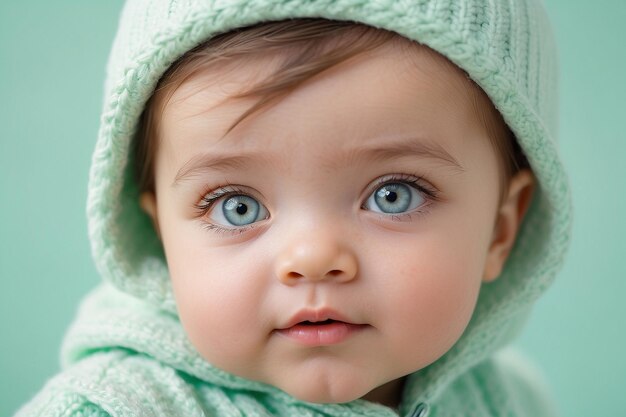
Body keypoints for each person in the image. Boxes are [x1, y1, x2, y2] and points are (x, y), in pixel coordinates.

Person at [15, 1, 572, 416]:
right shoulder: (112, 409)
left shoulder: (509, 401)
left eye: (392, 195)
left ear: (501, 230)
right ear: (161, 233)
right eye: (236, 206)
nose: (311, 258)